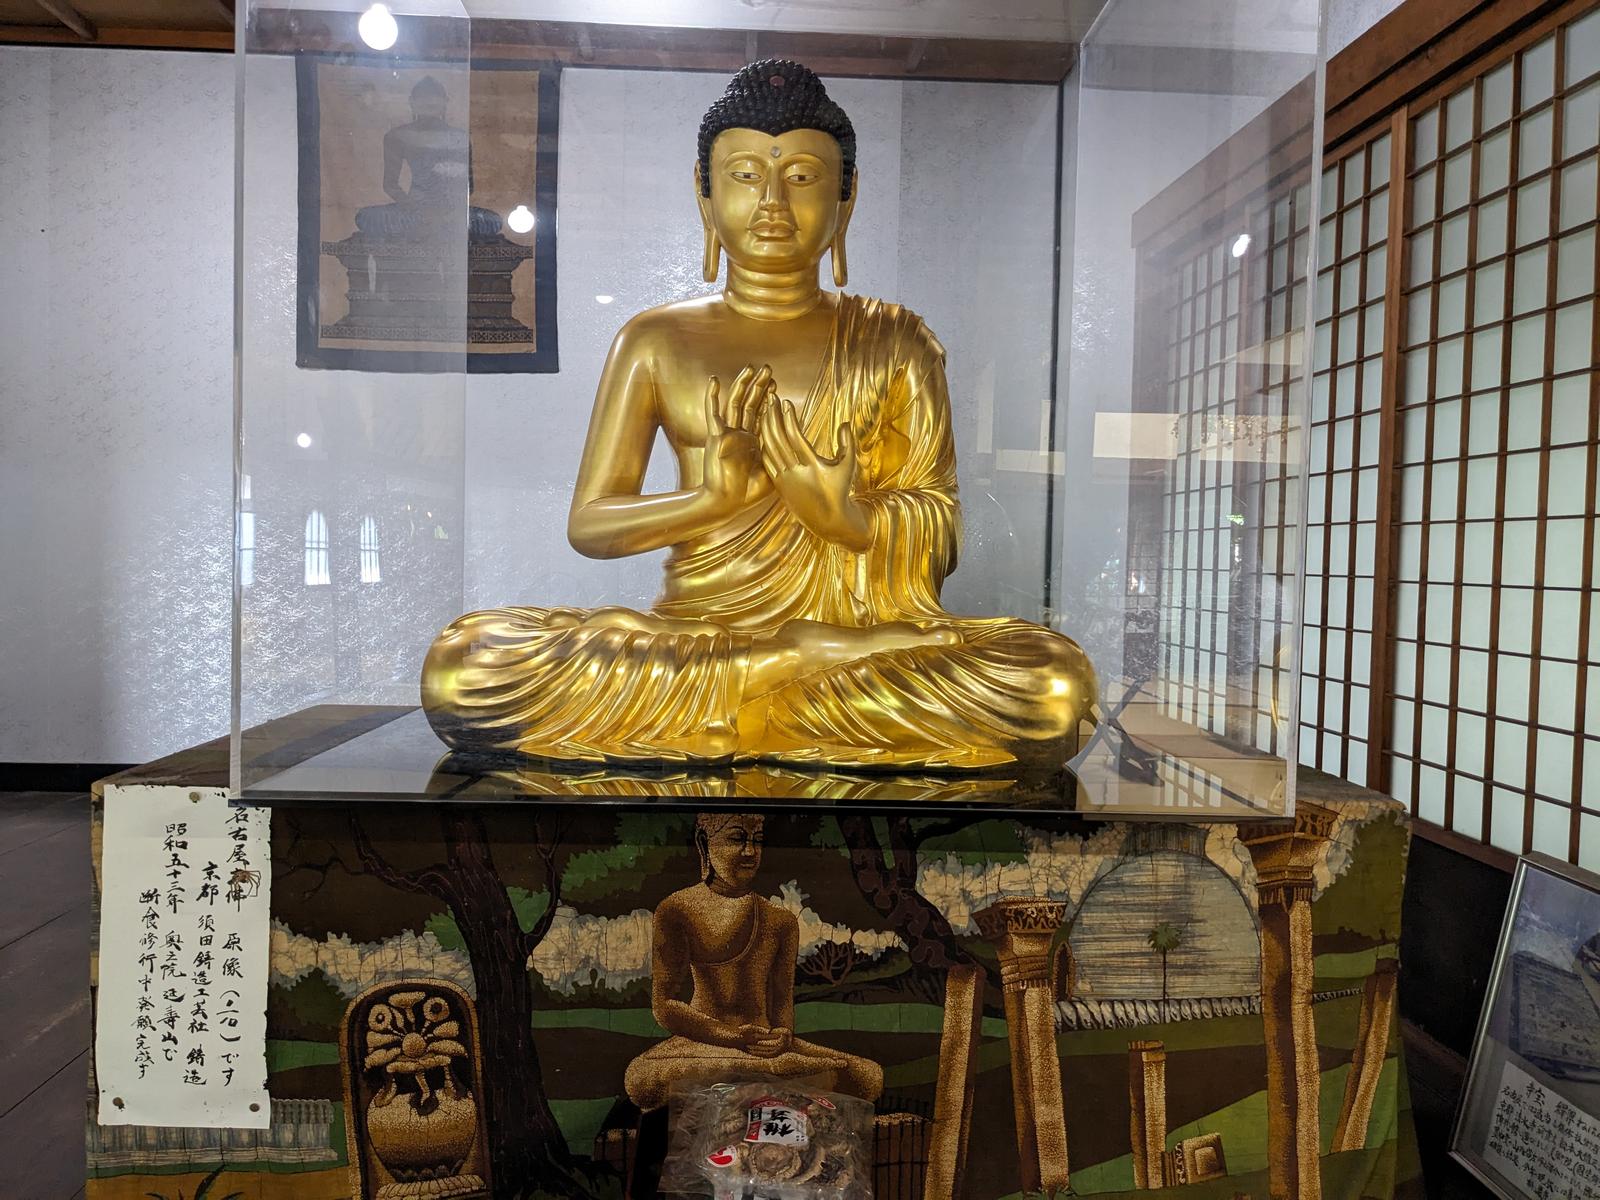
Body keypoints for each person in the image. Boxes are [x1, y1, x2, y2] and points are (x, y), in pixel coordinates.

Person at [421, 59, 1096, 769]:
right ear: (705, 193)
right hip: (694, 638)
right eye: (744, 174)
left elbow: (940, 524)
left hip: (852, 639)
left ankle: (764, 682)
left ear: (847, 197)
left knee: (1051, 686)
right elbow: (590, 525)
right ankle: (785, 669)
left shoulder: (897, 341)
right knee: (464, 667)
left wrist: (844, 519)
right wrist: (711, 501)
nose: (773, 200)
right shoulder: (653, 340)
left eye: (802, 176)